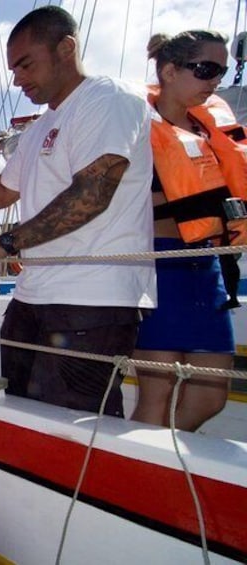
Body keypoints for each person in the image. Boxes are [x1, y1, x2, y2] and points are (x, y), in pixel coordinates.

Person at [0, 6, 156, 417]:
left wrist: (7, 243)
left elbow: (93, 192)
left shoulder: (109, 100)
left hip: (93, 297)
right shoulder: (36, 131)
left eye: (26, 64)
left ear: (66, 48)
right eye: (13, 70)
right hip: (34, 295)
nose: (17, 80)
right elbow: (0, 193)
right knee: (11, 409)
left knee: (76, 425)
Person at [131, 30, 247, 431]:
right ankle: (144, 477)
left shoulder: (211, 129)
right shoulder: (135, 130)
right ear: (168, 70)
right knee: (156, 394)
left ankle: (160, 459)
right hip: (162, 268)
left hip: (209, 268)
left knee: (210, 394)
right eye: (206, 69)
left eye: (222, 70)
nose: (216, 80)